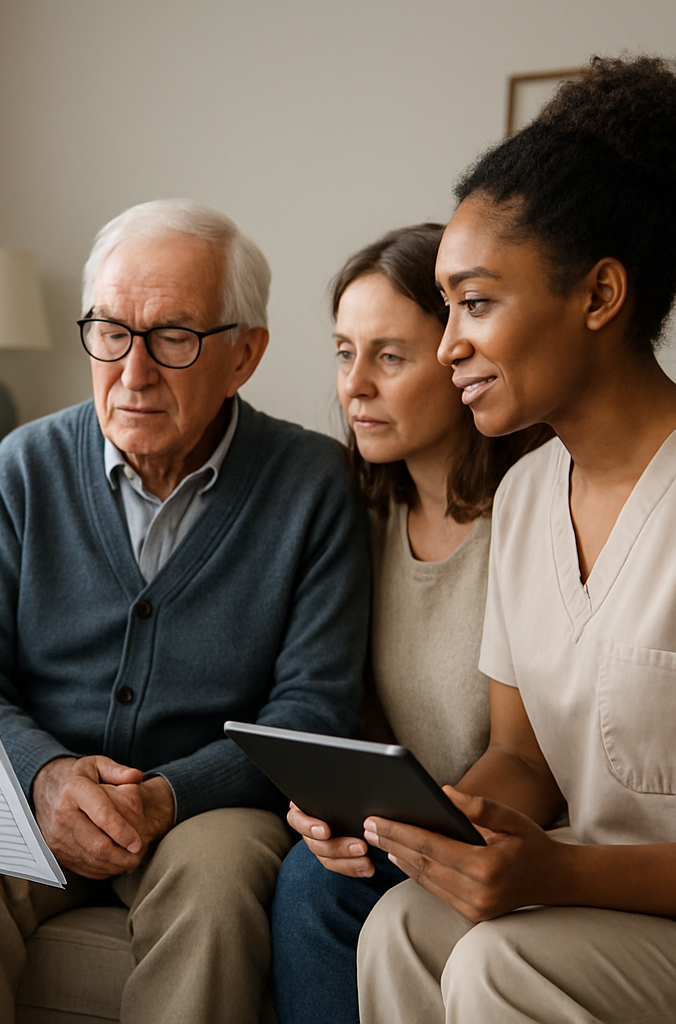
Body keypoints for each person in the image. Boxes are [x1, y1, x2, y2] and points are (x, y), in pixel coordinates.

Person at [0, 200, 370, 1024]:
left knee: (216, 890)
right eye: (110, 331)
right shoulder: (25, 466)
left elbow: (311, 712)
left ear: (244, 354)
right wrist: (45, 776)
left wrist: (167, 797)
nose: (133, 371)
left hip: (211, 810)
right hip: (47, 797)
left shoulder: (314, 484)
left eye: (173, 337)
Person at [356, 55, 676, 1024]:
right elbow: (523, 761)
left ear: (598, 294)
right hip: (582, 885)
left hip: (636, 902)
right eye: (446, 305)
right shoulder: (530, 495)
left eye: (477, 301)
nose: (448, 340)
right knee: (399, 925)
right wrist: (436, 822)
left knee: (502, 963)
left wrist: (560, 870)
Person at [269, 224, 547, 1024]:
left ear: (461, 355)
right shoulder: (358, 519)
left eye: (389, 356)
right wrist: (322, 808)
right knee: (315, 868)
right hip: (411, 828)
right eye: (343, 352)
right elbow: (356, 722)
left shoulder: (531, 513)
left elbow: (534, 761)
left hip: (515, 832)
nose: (354, 386)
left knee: (313, 888)